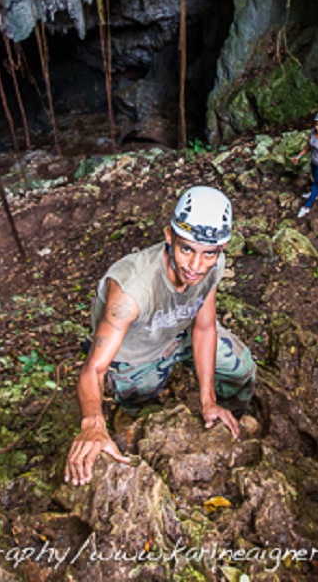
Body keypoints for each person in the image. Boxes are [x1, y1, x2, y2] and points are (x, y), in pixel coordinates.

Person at [63, 185, 256, 486]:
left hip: (177, 334)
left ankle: (229, 420)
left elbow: (204, 327)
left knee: (241, 368)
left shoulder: (212, 264)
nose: (195, 266)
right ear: (169, 237)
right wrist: (92, 423)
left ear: (222, 248)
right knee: (143, 397)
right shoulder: (131, 290)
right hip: (135, 353)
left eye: (208, 254)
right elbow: (94, 368)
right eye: (186, 249)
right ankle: (127, 411)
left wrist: (208, 400)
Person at [292, 111, 318, 219]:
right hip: (313, 161)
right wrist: (299, 156)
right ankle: (313, 194)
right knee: (314, 180)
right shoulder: (312, 132)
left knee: (316, 185)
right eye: (317, 124)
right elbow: (308, 147)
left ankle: (307, 206)